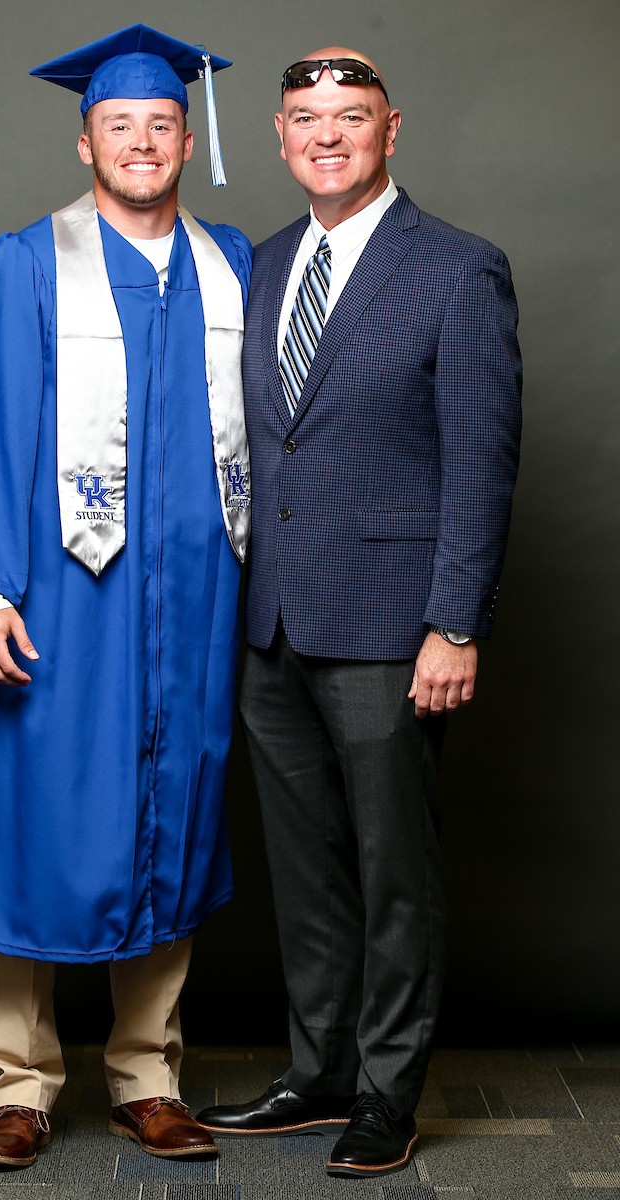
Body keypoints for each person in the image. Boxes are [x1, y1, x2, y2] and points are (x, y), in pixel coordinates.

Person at [0, 23, 252, 1168]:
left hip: (195, 601)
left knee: (174, 814)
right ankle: (20, 1085)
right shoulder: (22, 262)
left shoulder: (231, 264)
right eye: (120, 126)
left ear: (184, 137)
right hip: (60, 596)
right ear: (84, 141)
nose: (142, 141)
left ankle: (146, 1076)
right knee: (34, 825)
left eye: (160, 125)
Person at [196, 47, 522, 1179]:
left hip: (393, 630)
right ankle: (318, 1070)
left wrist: (454, 622)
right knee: (308, 868)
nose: (324, 134)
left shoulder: (457, 269)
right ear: (280, 139)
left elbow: (479, 464)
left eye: (349, 115)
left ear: (392, 130)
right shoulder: (263, 263)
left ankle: (387, 1089)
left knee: (393, 868)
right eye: (302, 118)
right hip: (273, 624)